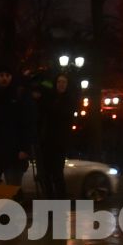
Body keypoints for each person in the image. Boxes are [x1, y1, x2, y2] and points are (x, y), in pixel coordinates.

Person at [34, 72, 73, 200]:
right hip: (47, 142)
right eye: (59, 82)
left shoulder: (68, 101)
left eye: (64, 82)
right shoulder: (49, 99)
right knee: (46, 175)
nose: (61, 85)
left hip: (59, 143)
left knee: (57, 174)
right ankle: (50, 201)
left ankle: (59, 201)